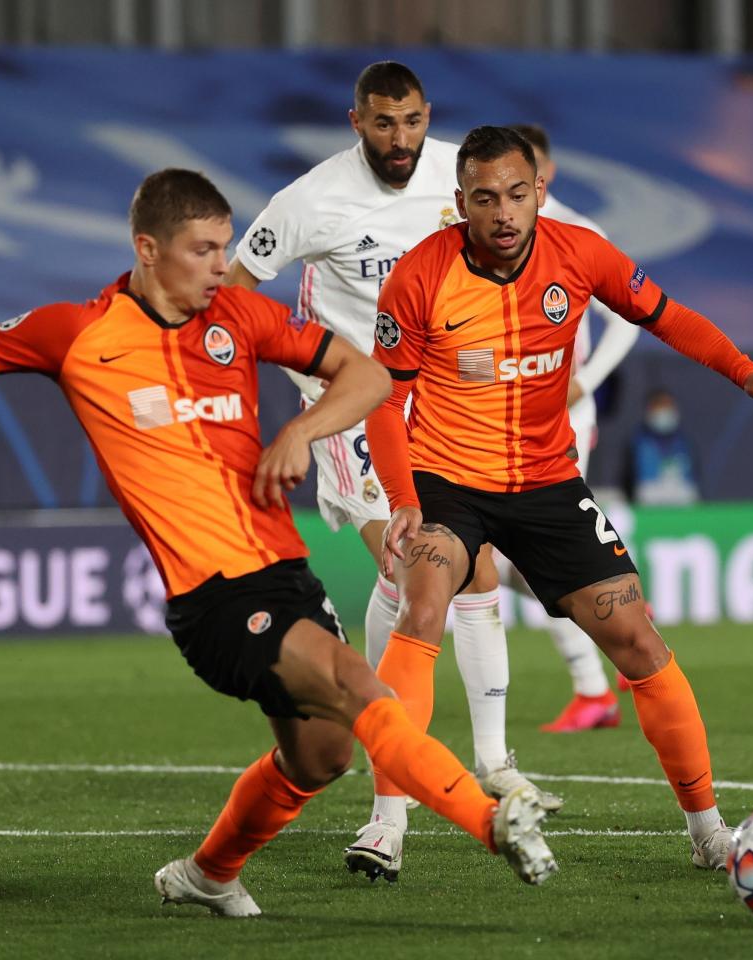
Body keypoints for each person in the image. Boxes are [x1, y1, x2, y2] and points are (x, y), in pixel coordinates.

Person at [0, 168, 558, 915]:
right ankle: (490, 821)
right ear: (147, 249)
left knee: (319, 758)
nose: (221, 266)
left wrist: (303, 430)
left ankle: (208, 873)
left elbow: (369, 372)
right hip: (211, 598)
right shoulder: (77, 334)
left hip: (286, 579)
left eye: (227, 247)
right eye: (203, 250)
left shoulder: (238, 314)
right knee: (353, 680)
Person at [365, 126, 753, 872]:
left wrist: (743, 370)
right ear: (459, 203)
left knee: (640, 642)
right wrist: (403, 496)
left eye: (515, 194)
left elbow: (664, 315)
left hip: (546, 483)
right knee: (424, 605)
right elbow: (384, 401)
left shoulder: (581, 253)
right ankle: (387, 822)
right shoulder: (419, 275)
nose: (503, 213)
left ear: (539, 190)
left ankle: (707, 833)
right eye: (484, 198)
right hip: (449, 480)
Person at [222, 62, 554, 882]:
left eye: (409, 122)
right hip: (351, 404)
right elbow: (233, 292)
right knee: (415, 570)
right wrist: (289, 381)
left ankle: (493, 763)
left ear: (426, 117)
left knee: (475, 574)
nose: (397, 139)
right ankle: (388, 814)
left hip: (441, 407)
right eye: (381, 123)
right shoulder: (311, 201)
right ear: (355, 121)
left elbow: (538, 244)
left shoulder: (465, 175)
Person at [505, 123, 642, 733]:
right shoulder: (487, 236)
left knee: (530, 550)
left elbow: (630, 320)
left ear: (546, 173)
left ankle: (598, 678)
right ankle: (614, 616)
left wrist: (585, 381)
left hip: (560, 417)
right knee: (501, 557)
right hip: (492, 416)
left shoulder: (582, 234)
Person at [623, 388, 701, 506]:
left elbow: (694, 484)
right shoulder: (638, 444)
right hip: (649, 503)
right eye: (659, 405)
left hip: (683, 504)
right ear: (649, 410)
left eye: (668, 405)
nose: (664, 411)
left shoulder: (685, 443)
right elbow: (630, 485)